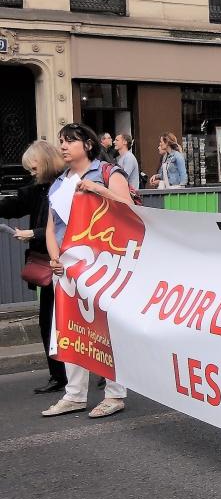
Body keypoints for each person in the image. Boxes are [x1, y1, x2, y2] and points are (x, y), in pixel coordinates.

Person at [43, 122, 134, 419]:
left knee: (106, 327)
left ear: (89, 145)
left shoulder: (107, 173)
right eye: (61, 141)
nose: (64, 146)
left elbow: (129, 209)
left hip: (102, 263)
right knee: (70, 328)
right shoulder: (60, 182)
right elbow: (52, 225)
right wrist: (55, 257)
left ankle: (114, 393)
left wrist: (97, 189)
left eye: (70, 140)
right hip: (68, 266)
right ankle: (74, 394)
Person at [1, 140, 66, 394]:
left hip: (64, 263)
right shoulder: (40, 188)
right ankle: (59, 375)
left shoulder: (64, 186)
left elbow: (65, 228)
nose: (30, 172)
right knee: (48, 322)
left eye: (33, 167)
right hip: (51, 263)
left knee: (56, 321)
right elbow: (14, 204)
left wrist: (33, 233)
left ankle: (67, 376)